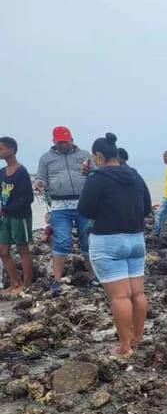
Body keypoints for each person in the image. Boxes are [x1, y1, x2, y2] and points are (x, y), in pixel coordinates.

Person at [77, 133, 152, 357]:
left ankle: (125, 347)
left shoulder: (96, 178)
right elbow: (147, 207)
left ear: (99, 156)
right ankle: (137, 338)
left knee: (120, 297)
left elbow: (85, 210)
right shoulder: (135, 175)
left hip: (107, 241)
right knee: (137, 293)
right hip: (136, 239)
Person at [35, 125, 97, 296]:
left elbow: (97, 174)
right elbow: (41, 178)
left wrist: (90, 171)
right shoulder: (46, 158)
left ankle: (93, 276)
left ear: (72, 140)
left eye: (66, 141)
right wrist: (39, 184)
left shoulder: (84, 155)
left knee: (88, 241)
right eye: (60, 142)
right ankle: (56, 281)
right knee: (61, 242)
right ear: (54, 142)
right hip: (59, 207)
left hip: (84, 204)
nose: (63, 145)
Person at [0, 137, 34, 294]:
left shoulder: (21, 172)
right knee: (3, 251)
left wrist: (7, 208)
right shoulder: (2, 172)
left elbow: (28, 198)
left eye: (1, 148)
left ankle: (26, 284)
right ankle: (14, 283)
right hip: (4, 217)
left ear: (11, 150)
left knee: (22, 249)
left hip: (20, 216)